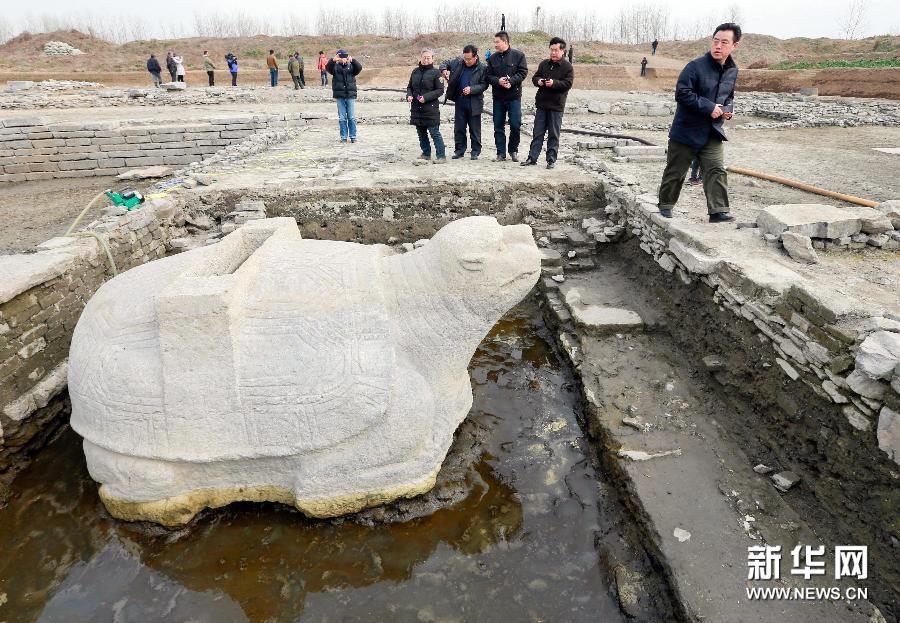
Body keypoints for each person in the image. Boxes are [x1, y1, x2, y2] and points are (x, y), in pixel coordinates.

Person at [657, 23, 740, 223]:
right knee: (676, 170)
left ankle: (718, 211)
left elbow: (729, 96)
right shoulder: (695, 66)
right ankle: (666, 205)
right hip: (687, 129)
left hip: (712, 131)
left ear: (734, 46)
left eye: (724, 42)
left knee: (716, 169)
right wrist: (709, 107)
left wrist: (727, 109)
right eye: (716, 41)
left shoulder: (732, 70)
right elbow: (682, 93)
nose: (718, 46)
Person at [521, 37, 574, 170]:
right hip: (542, 105)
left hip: (556, 106)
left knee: (553, 134)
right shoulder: (544, 64)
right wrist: (539, 81)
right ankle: (532, 158)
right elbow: (535, 77)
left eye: (556, 50)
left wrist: (554, 83)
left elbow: (568, 83)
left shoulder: (567, 67)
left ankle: (551, 160)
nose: (553, 53)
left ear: (563, 51)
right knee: (537, 133)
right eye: (551, 50)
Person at [485, 31, 528, 162]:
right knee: (498, 125)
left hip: (513, 97)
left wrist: (512, 81)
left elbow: (523, 72)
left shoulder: (518, 55)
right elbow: (488, 76)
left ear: (505, 42)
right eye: (495, 42)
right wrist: (498, 81)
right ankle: (500, 153)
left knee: (515, 124)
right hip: (498, 97)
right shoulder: (492, 58)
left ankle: (513, 150)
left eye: (497, 42)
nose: (495, 44)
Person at [440, 44, 488, 160]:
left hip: (474, 101)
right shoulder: (458, 62)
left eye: (469, 59)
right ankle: (459, 150)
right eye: (465, 58)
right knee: (459, 128)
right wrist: (444, 70)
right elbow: (444, 63)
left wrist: (472, 89)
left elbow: (484, 85)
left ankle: (475, 151)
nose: (466, 61)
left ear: (475, 57)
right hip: (460, 100)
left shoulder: (483, 68)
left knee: (474, 128)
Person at [407, 49, 446, 163]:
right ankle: (426, 153)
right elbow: (410, 87)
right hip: (416, 108)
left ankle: (441, 156)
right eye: (424, 57)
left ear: (432, 59)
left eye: (429, 57)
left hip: (431, 108)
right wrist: (409, 95)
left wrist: (426, 97)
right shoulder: (415, 72)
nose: (426, 59)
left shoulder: (437, 73)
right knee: (421, 132)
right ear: (421, 58)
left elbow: (440, 90)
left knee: (434, 132)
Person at [326, 49, 363, 143]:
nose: (343, 59)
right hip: (340, 95)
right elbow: (327, 67)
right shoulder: (334, 68)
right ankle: (343, 137)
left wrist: (353, 60)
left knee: (351, 117)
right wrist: (333, 60)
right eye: (340, 56)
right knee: (342, 118)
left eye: (344, 56)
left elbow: (359, 68)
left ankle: (353, 136)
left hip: (350, 95)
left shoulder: (351, 67)